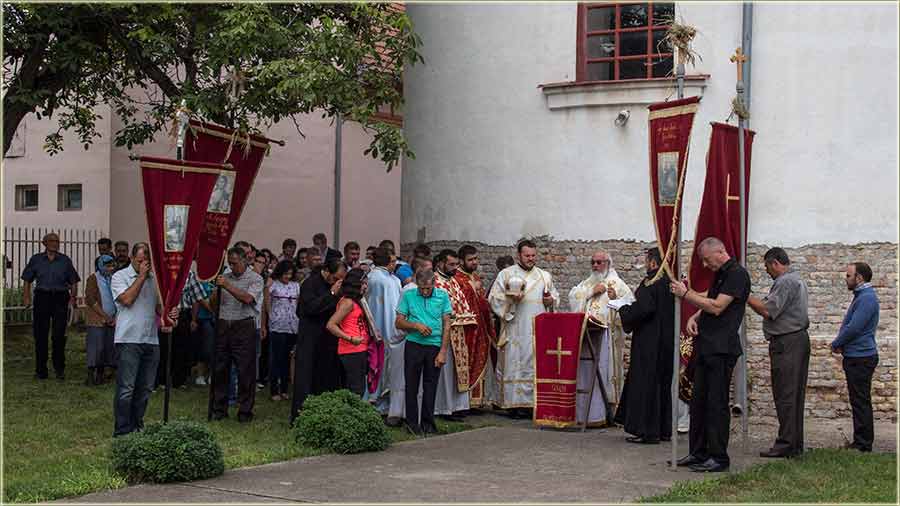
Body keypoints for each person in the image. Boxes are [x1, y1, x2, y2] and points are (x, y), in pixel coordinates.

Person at [670, 236, 750, 473]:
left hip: (722, 348)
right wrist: (695, 316)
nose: (705, 265)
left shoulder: (737, 274)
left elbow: (718, 307)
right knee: (698, 402)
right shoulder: (721, 273)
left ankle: (719, 457)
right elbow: (709, 303)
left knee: (716, 404)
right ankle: (698, 452)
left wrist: (685, 295)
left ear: (720, 252)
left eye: (707, 260)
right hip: (706, 345)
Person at [747, 247, 810, 458]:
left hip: (787, 342)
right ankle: (794, 443)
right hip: (797, 340)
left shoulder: (785, 282)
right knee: (794, 394)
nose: (766, 271)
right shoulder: (797, 280)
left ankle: (786, 443)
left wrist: (745, 294)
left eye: (767, 267)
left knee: (785, 394)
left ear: (775, 263)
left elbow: (768, 310)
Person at [110, 243, 178, 436]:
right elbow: (127, 300)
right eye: (140, 261)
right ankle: (123, 430)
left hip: (150, 339)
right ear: (132, 258)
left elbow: (158, 307)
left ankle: (137, 424)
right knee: (126, 388)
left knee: (145, 388)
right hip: (129, 339)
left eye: (147, 262)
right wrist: (141, 277)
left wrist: (169, 312)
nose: (144, 265)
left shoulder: (153, 280)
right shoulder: (119, 277)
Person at [488, 240, 559, 418]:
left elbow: (554, 297)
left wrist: (551, 301)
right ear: (518, 255)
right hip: (514, 329)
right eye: (527, 255)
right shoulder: (506, 274)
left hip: (537, 331)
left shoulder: (544, 276)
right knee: (514, 364)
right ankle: (512, 404)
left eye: (533, 255)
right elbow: (493, 299)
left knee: (532, 366)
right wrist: (511, 300)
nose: (530, 259)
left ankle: (531, 404)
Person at [612, 247, 674, 444]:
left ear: (654, 262)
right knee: (661, 383)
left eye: (647, 260)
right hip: (666, 340)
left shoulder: (651, 282)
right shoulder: (670, 282)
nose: (645, 264)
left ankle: (648, 431)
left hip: (649, 342)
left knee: (647, 383)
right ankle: (663, 429)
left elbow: (644, 308)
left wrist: (623, 308)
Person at [568, 250, 635, 426]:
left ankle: (607, 414)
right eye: (593, 262)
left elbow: (629, 309)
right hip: (587, 338)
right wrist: (591, 292)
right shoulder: (587, 283)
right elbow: (573, 298)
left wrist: (616, 299)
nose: (596, 266)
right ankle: (586, 414)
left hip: (608, 340)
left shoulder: (619, 285)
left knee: (606, 375)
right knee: (587, 375)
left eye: (600, 262)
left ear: (608, 263)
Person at [830, 262, 880, 453]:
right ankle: (860, 441)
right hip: (857, 356)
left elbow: (855, 327)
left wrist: (836, 343)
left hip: (861, 357)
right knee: (859, 400)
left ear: (859, 278)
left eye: (849, 276)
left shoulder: (866, 298)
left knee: (860, 401)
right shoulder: (862, 296)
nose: (846, 279)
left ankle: (863, 444)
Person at [395, 268, 451, 436]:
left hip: (434, 345)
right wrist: (415, 326)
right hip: (414, 345)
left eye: (428, 288)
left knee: (430, 385)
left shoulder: (442, 296)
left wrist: (443, 351)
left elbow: (447, 325)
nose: (425, 291)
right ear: (416, 284)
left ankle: (428, 423)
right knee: (411, 385)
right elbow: (398, 322)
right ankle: (412, 424)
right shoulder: (409, 295)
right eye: (421, 288)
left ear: (434, 283)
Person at [211, 247, 264, 423]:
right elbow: (214, 304)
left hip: (243, 326)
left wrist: (227, 286)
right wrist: (215, 290)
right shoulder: (224, 277)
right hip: (224, 324)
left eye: (234, 263)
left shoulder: (255, 278)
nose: (231, 267)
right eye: (230, 263)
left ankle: (245, 410)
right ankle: (219, 408)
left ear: (244, 261)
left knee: (245, 370)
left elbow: (248, 299)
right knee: (220, 368)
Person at [291, 259, 347, 422]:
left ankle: (323, 416)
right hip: (309, 338)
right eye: (335, 278)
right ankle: (300, 417)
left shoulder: (337, 287)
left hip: (328, 339)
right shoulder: (310, 284)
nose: (337, 282)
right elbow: (308, 309)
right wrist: (330, 294)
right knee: (305, 379)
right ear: (327, 271)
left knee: (325, 378)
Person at [21, 232, 80, 380]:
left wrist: (73, 297)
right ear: (44, 243)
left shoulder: (65, 260)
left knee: (59, 335)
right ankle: (41, 371)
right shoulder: (36, 260)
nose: (55, 243)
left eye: (57, 241)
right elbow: (27, 279)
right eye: (52, 241)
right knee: (40, 335)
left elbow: (73, 280)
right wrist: (26, 297)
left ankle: (59, 369)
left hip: (60, 298)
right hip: (42, 297)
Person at [433, 249, 473, 420]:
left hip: (458, 332)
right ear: (440, 263)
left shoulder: (454, 281)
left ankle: (458, 406)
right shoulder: (434, 281)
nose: (455, 268)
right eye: (451, 264)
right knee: (446, 371)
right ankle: (444, 407)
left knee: (457, 371)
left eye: (456, 264)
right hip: (443, 333)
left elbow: (462, 303)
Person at [453, 245, 495, 409]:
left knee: (481, 359)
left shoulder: (475, 276)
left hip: (481, 327)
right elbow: (458, 299)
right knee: (468, 362)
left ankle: (478, 401)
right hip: (467, 329)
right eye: (470, 260)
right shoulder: (457, 278)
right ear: (462, 260)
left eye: (475, 259)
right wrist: (471, 288)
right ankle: (465, 402)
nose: (474, 262)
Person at [366, 248, 403, 420]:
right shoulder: (377, 278)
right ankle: (375, 400)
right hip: (383, 327)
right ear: (387, 262)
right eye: (394, 261)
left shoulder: (391, 279)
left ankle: (385, 402)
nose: (396, 264)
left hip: (389, 327)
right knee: (378, 364)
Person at [327, 269, 374, 397]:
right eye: (363, 283)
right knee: (356, 389)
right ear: (355, 284)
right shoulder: (347, 302)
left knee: (358, 387)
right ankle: (351, 415)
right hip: (351, 350)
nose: (366, 286)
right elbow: (331, 325)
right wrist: (350, 338)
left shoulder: (356, 300)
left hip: (360, 348)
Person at [266, 260, 300, 400]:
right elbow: (267, 302)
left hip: (292, 326)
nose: (287, 276)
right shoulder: (273, 285)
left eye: (290, 274)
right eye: (285, 273)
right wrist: (270, 316)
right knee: (276, 358)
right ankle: (274, 390)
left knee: (287, 358)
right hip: (278, 325)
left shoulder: (296, 286)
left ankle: (285, 389)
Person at [83, 255, 118, 386]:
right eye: (108, 265)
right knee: (96, 347)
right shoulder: (93, 279)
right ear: (100, 266)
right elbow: (91, 300)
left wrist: (113, 317)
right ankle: (91, 375)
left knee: (107, 348)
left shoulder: (113, 279)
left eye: (112, 265)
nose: (111, 268)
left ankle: (101, 375)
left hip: (112, 319)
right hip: (97, 319)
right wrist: (104, 316)